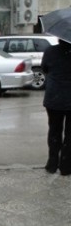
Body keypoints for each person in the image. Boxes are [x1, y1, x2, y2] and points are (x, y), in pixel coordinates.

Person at [41, 39, 71, 175]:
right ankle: (66, 166)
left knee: (54, 130)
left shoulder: (50, 51)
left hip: (54, 97)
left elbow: (45, 68)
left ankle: (52, 164)